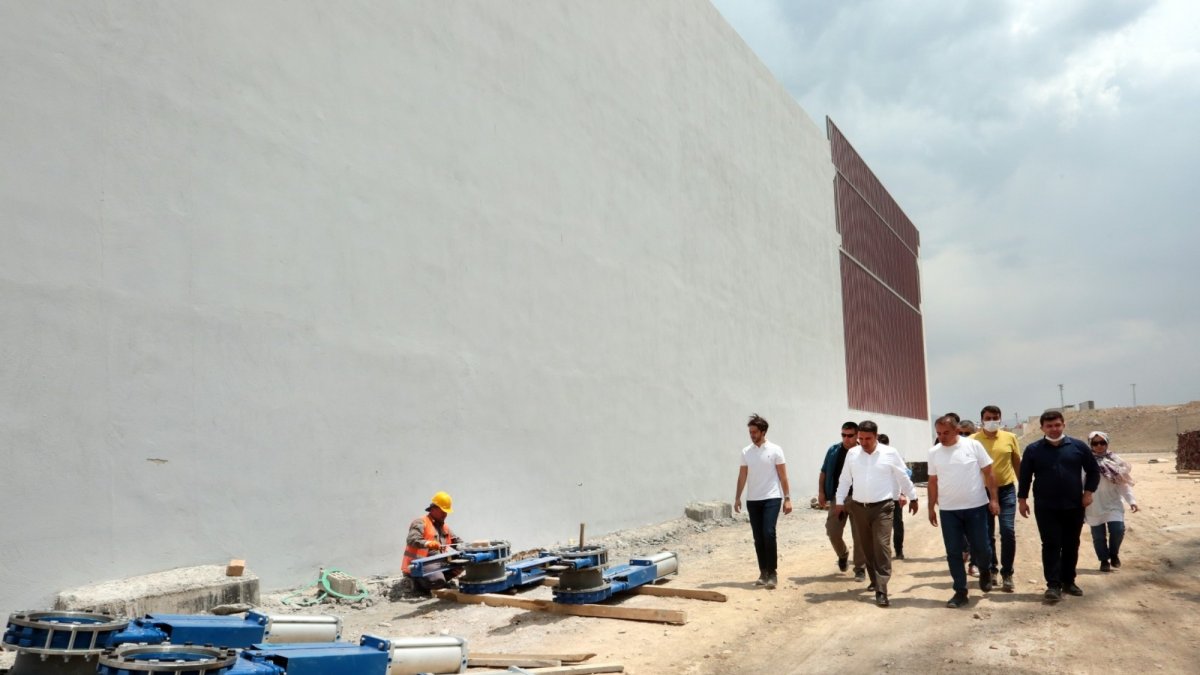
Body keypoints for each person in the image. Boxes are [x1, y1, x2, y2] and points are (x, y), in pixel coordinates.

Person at [1018, 411, 1100, 602]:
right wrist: (1022, 500)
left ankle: (1069, 582)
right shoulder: (1033, 450)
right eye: (1049, 426)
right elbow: (1025, 477)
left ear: (1063, 425)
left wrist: (1088, 493)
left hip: (1074, 505)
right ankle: (1053, 585)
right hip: (1046, 506)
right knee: (1051, 544)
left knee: (1071, 544)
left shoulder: (1078, 447)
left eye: (1057, 425)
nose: (1054, 429)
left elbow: (1093, 471)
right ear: (1042, 428)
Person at [834, 421, 918, 608]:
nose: (863, 442)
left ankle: (882, 589)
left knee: (881, 545)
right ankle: (874, 579)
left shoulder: (890, 453)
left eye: (868, 439)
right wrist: (839, 502)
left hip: (883, 507)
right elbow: (845, 480)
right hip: (858, 507)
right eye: (860, 438)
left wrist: (912, 496)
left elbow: (902, 476)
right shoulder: (852, 454)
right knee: (867, 548)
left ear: (876, 436)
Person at [927, 415, 1000, 608]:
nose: (942, 437)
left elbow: (989, 472)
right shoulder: (934, 452)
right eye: (939, 433)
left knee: (981, 546)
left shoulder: (972, 446)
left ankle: (985, 569)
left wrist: (993, 499)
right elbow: (932, 482)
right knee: (953, 552)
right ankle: (960, 591)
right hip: (949, 510)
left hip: (975, 507)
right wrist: (931, 507)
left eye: (946, 433)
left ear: (956, 430)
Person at [734, 413, 792, 589]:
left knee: (768, 532)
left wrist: (787, 498)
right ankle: (763, 572)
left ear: (763, 431)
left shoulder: (775, 450)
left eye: (754, 432)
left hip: (772, 497)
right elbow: (742, 475)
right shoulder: (746, 452)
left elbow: (783, 476)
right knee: (758, 537)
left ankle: (772, 572)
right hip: (753, 500)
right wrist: (737, 497)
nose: (752, 435)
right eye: (750, 432)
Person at [972, 405, 1022, 592]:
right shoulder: (972, 440)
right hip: (981, 493)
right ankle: (991, 569)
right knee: (987, 534)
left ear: (1000, 418)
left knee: (1008, 531)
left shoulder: (1010, 438)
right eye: (988, 417)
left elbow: (1016, 463)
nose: (992, 420)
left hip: (1006, 490)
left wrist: (1023, 490)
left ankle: (1007, 573)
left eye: (995, 417)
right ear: (982, 419)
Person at [1085, 431, 1138, 572]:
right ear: (1090, 444)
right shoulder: (1085, 461)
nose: (1099, 446)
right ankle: (1103, 560)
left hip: (1113, 502)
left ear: (1107, 443)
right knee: (1098, 536)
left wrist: (1131, 500)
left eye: (1103, 442)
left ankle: (1114, 554)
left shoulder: (1116, 460)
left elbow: (1123, 484)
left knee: (1118, 530)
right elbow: (1078, 482)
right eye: (1095, 443)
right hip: (1093, 504)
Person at [819, 422, 866, 580]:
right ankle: (843, 554)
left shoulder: (863, 451)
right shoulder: (834, 451)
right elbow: (824, 472)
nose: (846, 438)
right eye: (843, 435)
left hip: (859, 498)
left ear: (857, 434)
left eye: (850, 435)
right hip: (837, 498)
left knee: (859, 535)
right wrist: (821, 493)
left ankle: (860, 568)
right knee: (832, 531)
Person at [402, 491, 463, 593]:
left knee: (461, 564)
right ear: (433, 508)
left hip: (438, 563)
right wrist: (428, 543)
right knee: (437, 580)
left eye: (446, 511)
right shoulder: (421, 522)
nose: (445, 514)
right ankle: (417, 584)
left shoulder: (444, 527)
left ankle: (438, 582)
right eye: (443, 510)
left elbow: (457, 542)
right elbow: (412, 539)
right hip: (420, 565)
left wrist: (466, 547)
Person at [877, 433, 909, 560]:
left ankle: (898, 550)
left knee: (896, 525)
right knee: (882, 526)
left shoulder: (894, 456)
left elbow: (905, 476)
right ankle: (886, 552)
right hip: (880, 498)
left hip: (894, 497)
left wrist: (903, 494)